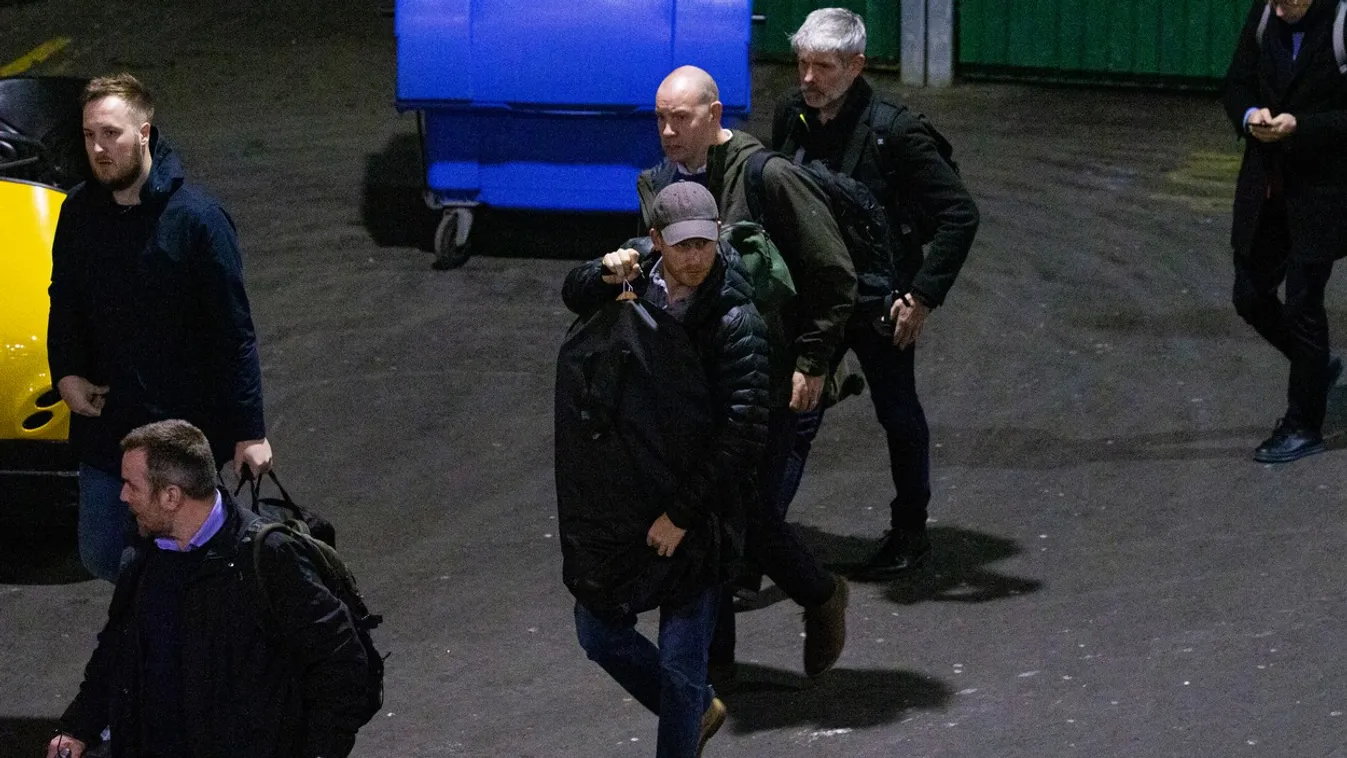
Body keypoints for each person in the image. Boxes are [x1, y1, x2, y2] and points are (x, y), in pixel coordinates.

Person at [637, 66, 854, 682]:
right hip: (691, 380)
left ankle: (819, 593)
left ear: (715, 114)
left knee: (746, 513)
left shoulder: (768, 176)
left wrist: (813, 361)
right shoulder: (657, 184)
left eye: (681, 118)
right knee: (712, 517)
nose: (668, 131)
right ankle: (717, 668)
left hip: (764, 372)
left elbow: (833, 272)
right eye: (660, 118)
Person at [561, 182, 771, 757]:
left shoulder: (735, 320)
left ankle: (687, 712)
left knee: (680, 665)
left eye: (706, 243)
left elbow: (744, 430)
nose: (696, 257)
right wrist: (599, 274)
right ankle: (699, 709)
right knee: (596, 630)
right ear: (656, 241)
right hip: (632, 501)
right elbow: (573, 293)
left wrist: (681, 514)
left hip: (700, 516)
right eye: (683, 246)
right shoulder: (634, 277)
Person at [771, 8, 979, 577]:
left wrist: (922, 298)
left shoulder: (898, 132)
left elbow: (959, 215)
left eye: (823, 66)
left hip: (878, 301)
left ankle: (910, 530)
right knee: (793, 410)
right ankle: (760, 539)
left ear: (856, 65)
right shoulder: (792, 115)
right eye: (802, 64)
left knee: (897, 413)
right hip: (814, 295)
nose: (808, 78)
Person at [48, 73, 272, 582]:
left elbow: (233, 333)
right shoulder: (78, 212)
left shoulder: (198, 220)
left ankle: (177, 647)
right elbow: (65, 302)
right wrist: (67, 373)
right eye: (89, 136)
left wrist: (248, 432)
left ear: (144, 134)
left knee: (189, 563)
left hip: (180, 432)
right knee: (102, 553)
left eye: (111, 134)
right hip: (109, 426)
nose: (99, 148)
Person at [45, 420, 369, 758]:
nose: (123, 495)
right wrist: (76, 728)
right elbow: (116, 649)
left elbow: (343, 668)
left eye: (131, 485)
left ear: (171, 496)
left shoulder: (268, 558)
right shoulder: (146, 553)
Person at [1225, 0, 1347, 462]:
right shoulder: (1264, 16)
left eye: (1288, 1)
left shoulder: (1341, 23)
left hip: (1323, 194)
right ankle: (1315, 368)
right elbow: (1236, 84)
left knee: (1302, 301)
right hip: (1268, 189)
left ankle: (1303, 425)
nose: (1277, 10)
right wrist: (1250, 114)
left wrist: (1302, 126)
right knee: (1250, 294)